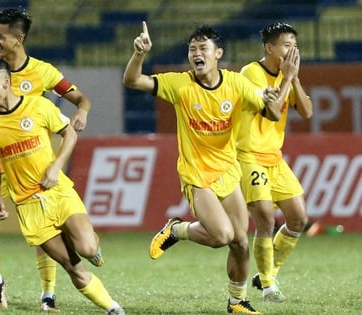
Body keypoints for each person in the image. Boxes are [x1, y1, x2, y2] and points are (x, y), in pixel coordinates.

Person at [124, 22, 282, 314]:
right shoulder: (180, 84)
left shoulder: (236, 84)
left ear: (218, 53)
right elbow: (133, 81)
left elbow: (270, 113)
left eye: (203, 48)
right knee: (222, 236)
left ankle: (237, 302)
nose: (196, 53)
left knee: (240, 243)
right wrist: (139, 55)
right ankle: (177, 229)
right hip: (197, 174)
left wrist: (273, 101)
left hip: (227, 171)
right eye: (192, 48)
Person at [0, 8, 92, 311]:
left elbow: (80, 98)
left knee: (46, 232)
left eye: (0, 35)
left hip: (34, 167)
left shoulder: (42, 72)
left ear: (18, 38)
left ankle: (48, 294)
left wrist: (82, 111)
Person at [0, 56, 124, 315]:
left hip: (57, 192)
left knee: (88, 248)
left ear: (6, 82)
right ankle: (114, 308)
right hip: (29, 206)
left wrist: (56, 166)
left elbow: (70, 133)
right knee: (72, 266)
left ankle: (86, 242)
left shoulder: (39, 107)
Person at [238, 22, 312, 303]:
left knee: (298, 219)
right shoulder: (251, 73)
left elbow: (306, 112)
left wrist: (293, 79)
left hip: (274, 157)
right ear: (269, 48)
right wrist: (285, 78)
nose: (292, 50)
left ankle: (267, 272)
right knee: (266, 219)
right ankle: (269, 286)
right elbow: (270, 112)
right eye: (285, 45)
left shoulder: (287, 74)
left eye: (294, 45)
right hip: (249, 155)